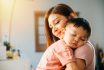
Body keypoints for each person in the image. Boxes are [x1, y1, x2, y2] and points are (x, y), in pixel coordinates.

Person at [44, 3, 95, 70]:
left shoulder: (84, 47)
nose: (54, 30)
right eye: (51, 27)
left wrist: (62, 44)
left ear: (71, 17)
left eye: (57, 22)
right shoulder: (65, 46)